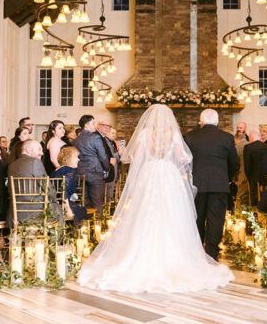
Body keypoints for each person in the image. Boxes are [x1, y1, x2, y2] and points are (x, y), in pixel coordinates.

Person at [78, 105, 234, 292]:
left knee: (144, 212)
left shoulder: (144, 134)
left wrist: (150, 159)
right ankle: (174, 256)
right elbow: (184, 158)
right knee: (171, 214)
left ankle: (140, 254)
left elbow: (134, 156)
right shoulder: (173, 135)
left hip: (149, 174)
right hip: (168, 176)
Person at [184, 109, 239, 261]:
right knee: (216, 220)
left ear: (201, 121)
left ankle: (196, 253)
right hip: (219, 185)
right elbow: (234, 162)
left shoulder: (190, 137)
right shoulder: (226, 137)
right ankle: (211, 254)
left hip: (197, 185)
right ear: (217, 122)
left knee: (197, 218)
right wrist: (226, 178)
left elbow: (186, 162)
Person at [7, 139, 54, 223]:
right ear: (29, 150)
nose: (42, 153)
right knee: (59, 209)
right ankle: (56, 236)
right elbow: (48, 188)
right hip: (35, 212)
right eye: (39, 149)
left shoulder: (12, 165)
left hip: (14, 214)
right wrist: (55, 198)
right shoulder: (35, 162)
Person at [75, 115, 111, 215]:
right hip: (95, 173)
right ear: (87, 125)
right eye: (93, 123)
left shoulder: (76, 140)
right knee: (97, 202)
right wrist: (107, 168)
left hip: (80, 174)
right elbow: (103, 156)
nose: (95, 126)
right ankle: (97, 226)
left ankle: (84, 226)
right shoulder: (95, 137)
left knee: (83, 202)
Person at [51, 146, 86, 225]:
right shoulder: (70, 170)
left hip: (54, 204)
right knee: (82, 211)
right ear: (68, 158)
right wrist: (68, 209)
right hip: (63, 205)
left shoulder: (57, 170)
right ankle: (77, 234)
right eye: (76, 157)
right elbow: (64, 189)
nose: (78, 159)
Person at [243, 129, 267, 210]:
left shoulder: (248, 147)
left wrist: (248, 177)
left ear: (250, 137)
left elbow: (247, 165)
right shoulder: (266, 147)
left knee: (254, 201)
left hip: (253, 177)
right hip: (265, 178)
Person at [97, 119, 121, 203]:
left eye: (115, 134)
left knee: (110, 189)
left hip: (113, 168)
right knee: (107, 190)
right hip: (107, 168)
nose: (114, 135)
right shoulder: (104, 140)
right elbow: (109, 155)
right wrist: (119, 154)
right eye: (112, 133)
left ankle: (108, 204)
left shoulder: (112, 142)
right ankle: (106, 206)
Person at [233, 132, 250, 209]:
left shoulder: (237, 147)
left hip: (241, 176)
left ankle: (240, 217)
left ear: (236, 139)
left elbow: (235, 164)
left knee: (240, 198)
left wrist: (234, 178)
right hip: (250, 176)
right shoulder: (250, 144)